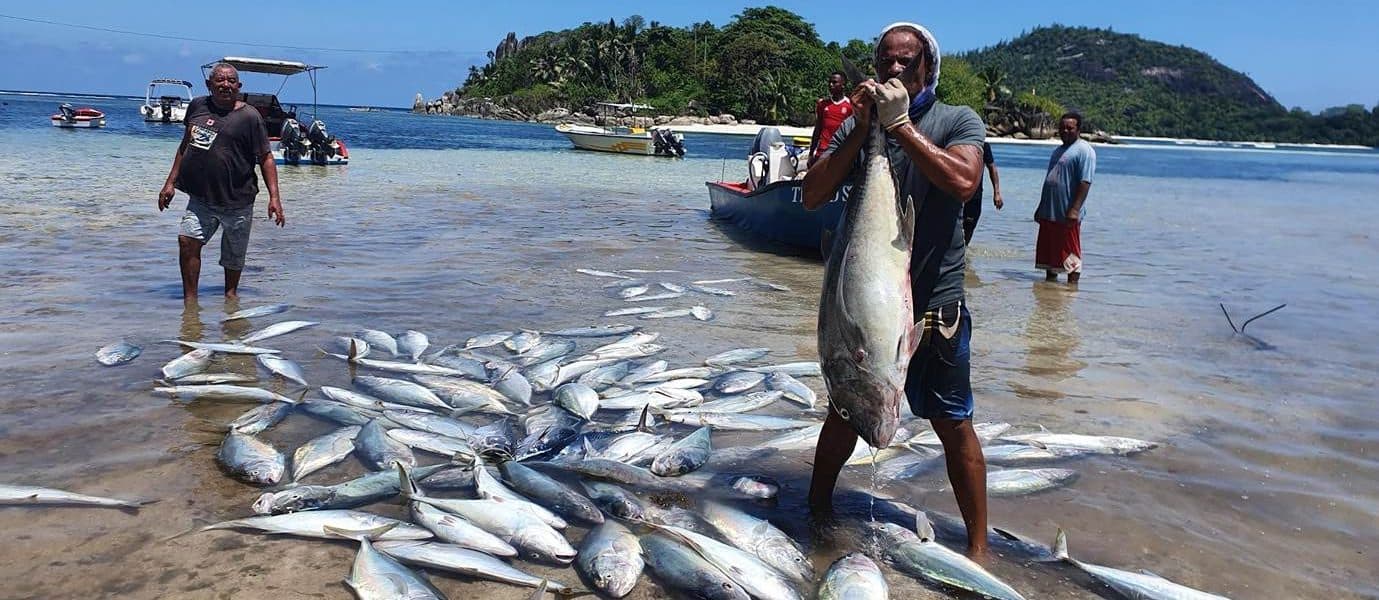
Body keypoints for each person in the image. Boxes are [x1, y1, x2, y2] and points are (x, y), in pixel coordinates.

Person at [802, 21, 990, 557]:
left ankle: (979, 549)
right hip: (866, 302)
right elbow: (812, 194)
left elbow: (964, 181)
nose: (894, 68)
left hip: (935, 304)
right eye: (886, 59)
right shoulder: (856, 124)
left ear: (929, 66)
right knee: (846, 409)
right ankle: (815, 513)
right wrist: (864, 130)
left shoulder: (957, 119)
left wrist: (901, 126)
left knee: (953, 423)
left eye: (907, 60)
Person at [157, 63, 284, 301]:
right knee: (187, 241)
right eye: (220, 80)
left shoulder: (250, 117)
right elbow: (185, 145)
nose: (226, 85)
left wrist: (274, 198)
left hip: (238, 200)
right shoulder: (197, 106)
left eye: (231, 81)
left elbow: (266, 157)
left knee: (233, 256)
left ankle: (231, 299)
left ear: (239, 86)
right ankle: (190, 304)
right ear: (209, 84)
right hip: (201, 198)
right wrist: (170, 183)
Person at [1034, 112, 1095, 283]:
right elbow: (1049, 179)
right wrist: (1041, 207)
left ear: (1078, 129)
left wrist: (1074, 209)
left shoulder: (1084, 150)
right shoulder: (1058, 151)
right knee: (1049, 253)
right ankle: (1049, 289)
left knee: (1070, 253)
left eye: (1070, 128)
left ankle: (1072, 288)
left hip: (1067, 212)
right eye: (1062, 128)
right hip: (1049, 211)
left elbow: (1085, 181)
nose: (1065, 131)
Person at [808, 71, 854, 165]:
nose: (830, 85)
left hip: (840, 151)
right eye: (829, 82)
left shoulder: (850, 106)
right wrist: (811, 153)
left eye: (834, 82)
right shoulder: (822, 104)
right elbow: (818, 129)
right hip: (822, 150)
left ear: (843, 85)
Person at [963, 141, 1003, 245]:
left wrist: (997, 193)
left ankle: (965, 250)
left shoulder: (983, 145)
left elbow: (992, 168)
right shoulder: (959, 142)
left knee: (969, 227)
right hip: (956, 194)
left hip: (975, 196)